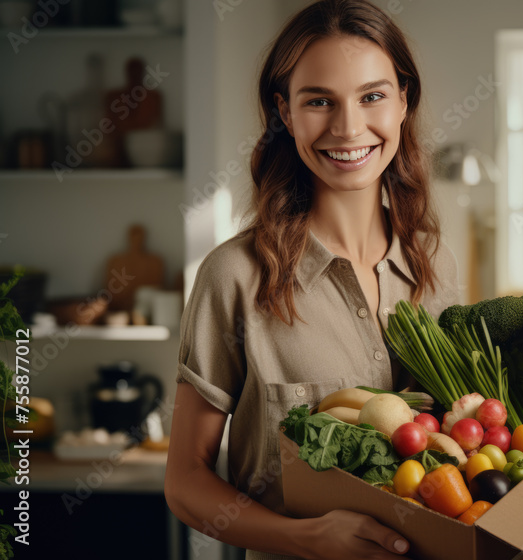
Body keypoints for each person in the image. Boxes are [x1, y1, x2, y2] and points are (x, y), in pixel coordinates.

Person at [164, 1, 459, 558]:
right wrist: (304, 538)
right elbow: (185, 484)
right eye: (319, 101)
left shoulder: (435, 271)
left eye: (372, 96)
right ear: (285, 112)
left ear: (403, 101)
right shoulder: (235, 276)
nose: (348, 128)